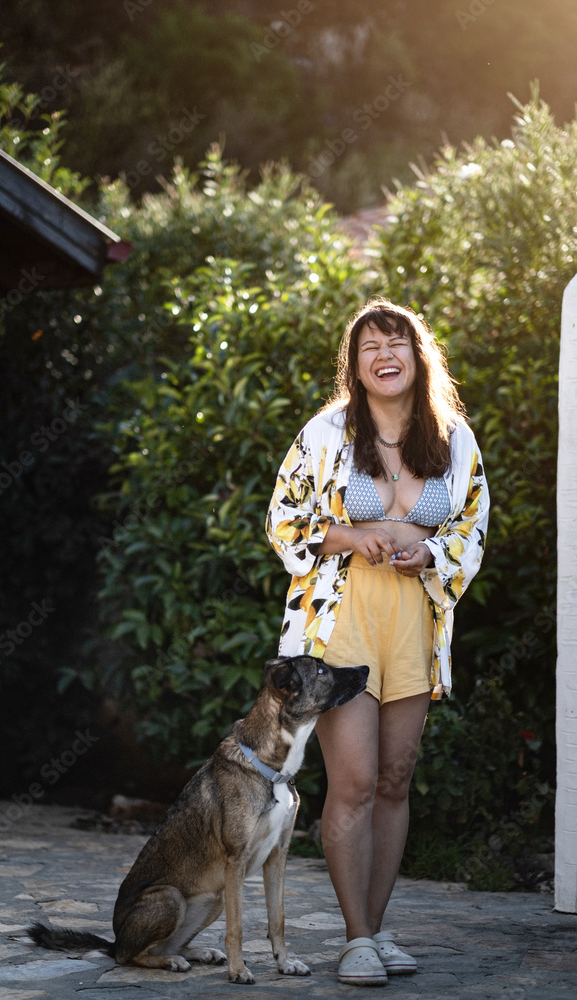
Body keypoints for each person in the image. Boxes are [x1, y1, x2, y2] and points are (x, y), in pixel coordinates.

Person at [266, 299, 489, 987]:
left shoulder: (452, 439)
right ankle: (354, 936)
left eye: (397, 341)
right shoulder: (327, 433)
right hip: (340, 623)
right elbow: (283, 519)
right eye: (369, 346)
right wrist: (348, 536)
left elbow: (472, 527)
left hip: (415, 626)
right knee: (355, 782)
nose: (384, 353)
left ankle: (378, 926)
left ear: (418, 356)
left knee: (394, 781)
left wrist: (431, 559)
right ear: (355, 366)